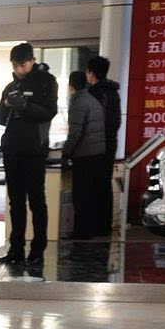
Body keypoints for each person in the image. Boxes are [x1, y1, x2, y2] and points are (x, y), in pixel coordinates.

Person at [0, 43, 59, 264]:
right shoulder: (11, 85)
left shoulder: (46, 82)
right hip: (12, 149)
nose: (19, 69)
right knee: (15, 202)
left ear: (32, 61)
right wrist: (7, 103)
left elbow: (49, 112)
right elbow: (0, 118)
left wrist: (24, 106)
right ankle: (16, 249)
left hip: (34, 149)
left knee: (36, 200)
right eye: (15, 65)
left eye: (22, 65)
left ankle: (37, 250)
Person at [63, 71, 109, 238]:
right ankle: (91, 229)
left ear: (71, 86)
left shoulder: (78, 102)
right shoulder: (92, 100)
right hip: (97, 153)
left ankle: (82, 231)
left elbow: (75, 132)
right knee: (91, 194)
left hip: (84, 155)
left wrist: (66, 152)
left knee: (81, 195)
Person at [87, 55, 122, 230]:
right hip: (110, 143)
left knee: (92, 185)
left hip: (95, 145)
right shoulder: (113, 92)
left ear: (91, 73)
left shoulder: (94, 94)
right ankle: (104, 225)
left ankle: (94, 225)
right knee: (104, 184)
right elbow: (116, 121)